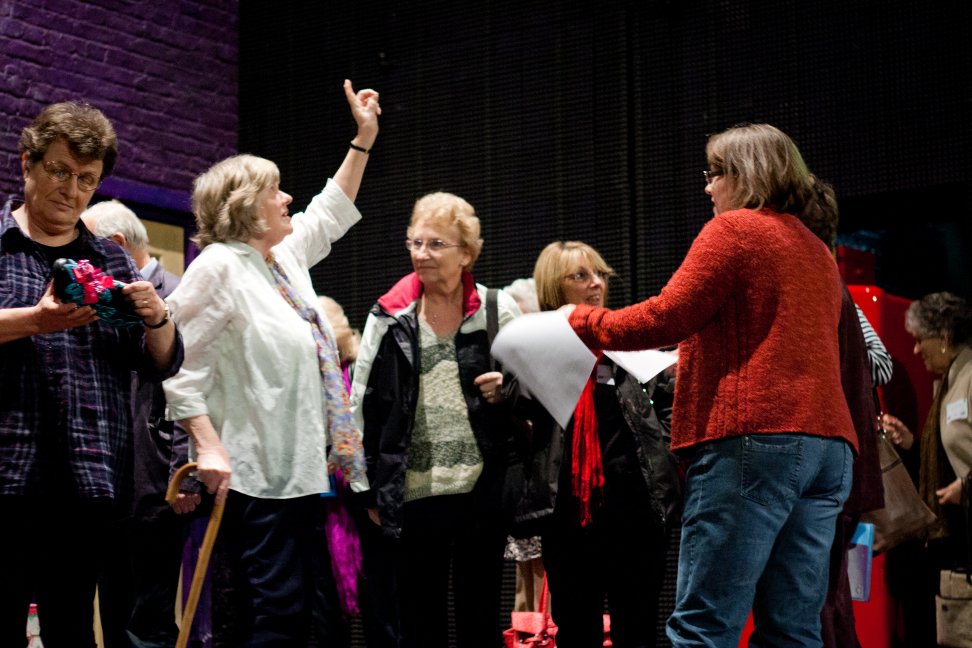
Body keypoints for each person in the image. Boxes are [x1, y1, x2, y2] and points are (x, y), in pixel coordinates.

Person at [566, 123, 858, 646]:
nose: (707, 186)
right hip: (828, 450)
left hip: (753, 441)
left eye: (715, 172)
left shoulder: (735, 230)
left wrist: (583, 320)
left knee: (704, 626)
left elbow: (665, 316)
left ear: (747, 174)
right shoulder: (817, 249)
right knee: (793, 630)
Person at [162, 79, 379, 646]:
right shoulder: (219, 266)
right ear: (244, 208)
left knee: (307, 620)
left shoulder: (281, 260)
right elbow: (176, 367)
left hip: (301, 477)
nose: (288, 199)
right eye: (276, 191)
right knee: (271, 619)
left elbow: (329, 211)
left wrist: (363, 139)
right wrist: (207, 446)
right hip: (254, 481)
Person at [0, 101, 182, 647]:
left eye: (87, 180)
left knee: (74, 630)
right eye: (60, 171)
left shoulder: (110, 260)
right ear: (27, 162)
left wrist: (158, 318)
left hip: (89, 481)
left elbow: (159, 362)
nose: (73, 190)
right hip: (7, 474)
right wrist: (35, 321)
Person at [350, 191, 521, 648]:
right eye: (416, 242)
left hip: (481, 490)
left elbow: (532, 387)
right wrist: (364, 484)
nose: (422, 254)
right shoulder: (389, 314)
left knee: (480, 621)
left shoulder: (496, 308)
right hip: (414, 493)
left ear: (467, 253)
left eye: (436, 244)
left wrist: (506, 388)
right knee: (419, 623)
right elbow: (360, 401)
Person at [512, 241, 681, 647]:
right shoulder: (535, 351)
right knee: (576, 632)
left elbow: (670, 406)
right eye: (581, 275)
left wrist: (666, 457)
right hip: (569, 518)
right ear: (554, 287)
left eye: (601, 274)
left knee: (637, 631)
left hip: (636, 513)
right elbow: (518, 422)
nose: (596, 284)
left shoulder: (631, 343)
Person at [82, 199, 196, 647]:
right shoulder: (100, 301)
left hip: (156, 484)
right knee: (113, 611)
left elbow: (192, 383)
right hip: (105, 482)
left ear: (115, 244)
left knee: (148, 621)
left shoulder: (177, 294)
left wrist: (183, 473)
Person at [800, 178, 889, 648]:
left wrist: (833, 367)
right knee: (824, 599)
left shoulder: (827, 289)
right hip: (837, 461)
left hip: (833, 461)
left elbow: (880, 363)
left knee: (823, 600)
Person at [881, 292, 972, 647]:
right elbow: (947, 455)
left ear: (945, 337)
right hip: (955, 537)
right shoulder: (952, 379)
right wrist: (911, 443)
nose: (916, 350)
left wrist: (967, 487)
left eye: (921, 340)